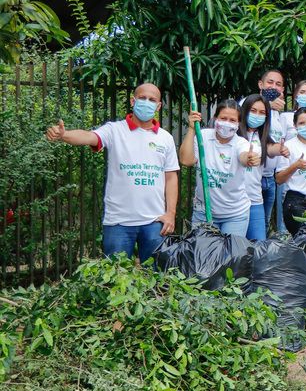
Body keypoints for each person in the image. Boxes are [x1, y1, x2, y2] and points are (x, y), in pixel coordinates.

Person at [45, 83, 179, 262]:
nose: (147, 102)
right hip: (118, 222)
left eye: (152, 100)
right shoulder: (115, 130)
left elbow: (171, 178)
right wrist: (64, 135)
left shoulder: (166, 138)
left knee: (157, 280)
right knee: (116, 280)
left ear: (159, 106)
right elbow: (89, 136)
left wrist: (170, 214)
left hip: (155, 223)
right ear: (133, 101)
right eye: (142, 98)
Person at [180, 99, 254, 237]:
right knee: (203, 255)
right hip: (203, 212)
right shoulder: (203, 137)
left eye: (232, 120)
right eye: (223, 118)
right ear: (215, 119)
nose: (227, 123)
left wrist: (248, 158)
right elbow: (186, 160)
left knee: (230, 256)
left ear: (238, 123)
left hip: (235, 214)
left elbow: (243, 156)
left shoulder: (241, 143)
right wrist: (191, 129)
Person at [239, 94, 281, 241]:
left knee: (259, 246)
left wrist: (280, 149)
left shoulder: (262, 137)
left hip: (255, 200)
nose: (257, 115)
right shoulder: (234, 134)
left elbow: (271, 149)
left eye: (262, 113)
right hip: (233, 203)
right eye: (253, 110)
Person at [254, 69, 287, 233]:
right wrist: (266, 105)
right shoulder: (250, 105)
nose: (274, 87)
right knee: (252, 224)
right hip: (253, 177)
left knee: (265, 225)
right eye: (270, 82)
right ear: (261, 84)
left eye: (278, 84)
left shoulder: (278, 117)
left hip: (270, 179)